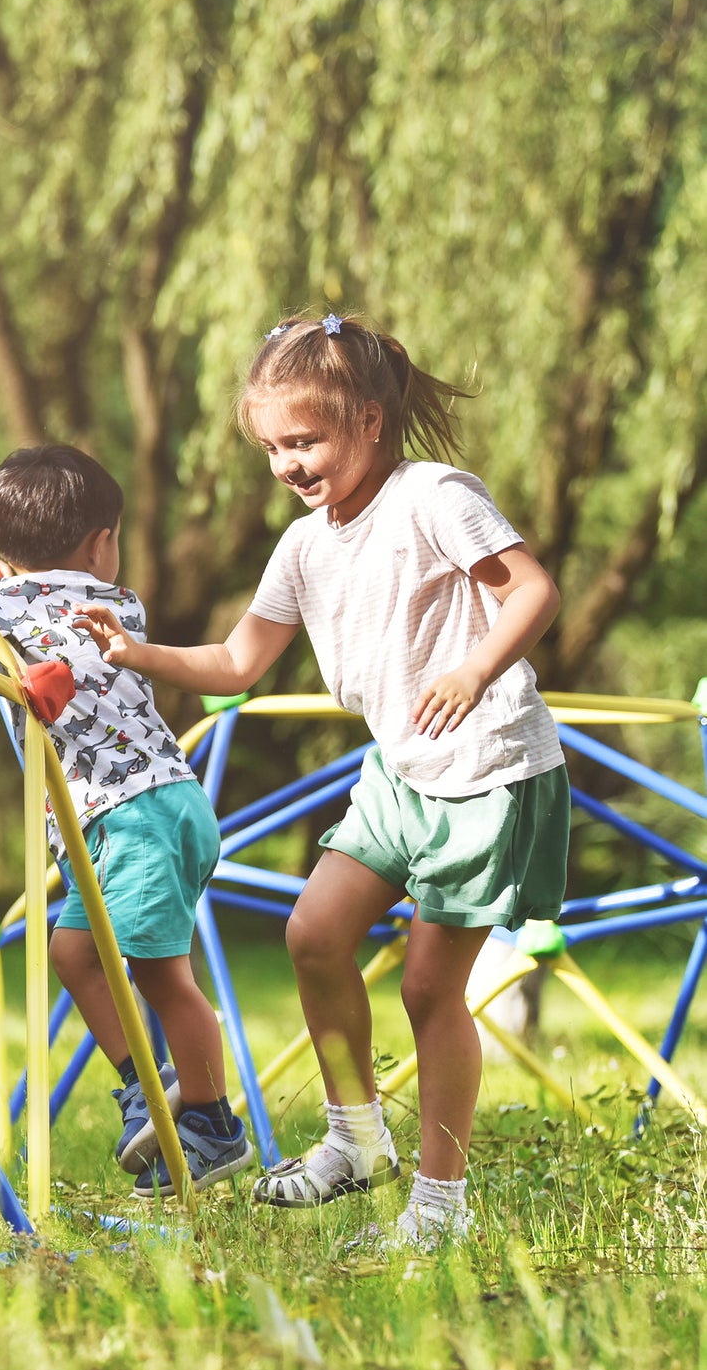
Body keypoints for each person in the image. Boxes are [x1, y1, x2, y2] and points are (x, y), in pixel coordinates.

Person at [77, 313, 569, 1250]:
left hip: (485, 769)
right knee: (312, 933)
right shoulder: (304, 546)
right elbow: (234, 659)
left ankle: (438, 1208)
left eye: (303, 441)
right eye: (271, 446)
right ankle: (355, 1141)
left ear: (370, 422)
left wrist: (473, 670)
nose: (287, 465)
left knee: (430, 990)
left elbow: (531, 590)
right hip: (403, 773)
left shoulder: (432, 496)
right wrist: (135, 651)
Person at [0, 444, 253, 1197]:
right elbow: (50, 611)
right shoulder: (117, 604)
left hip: (134, 814)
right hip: (153, 805)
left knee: (158, 974)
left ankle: (214, 1123)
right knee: (72, 954)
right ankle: (143, 1090)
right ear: (101, 544)